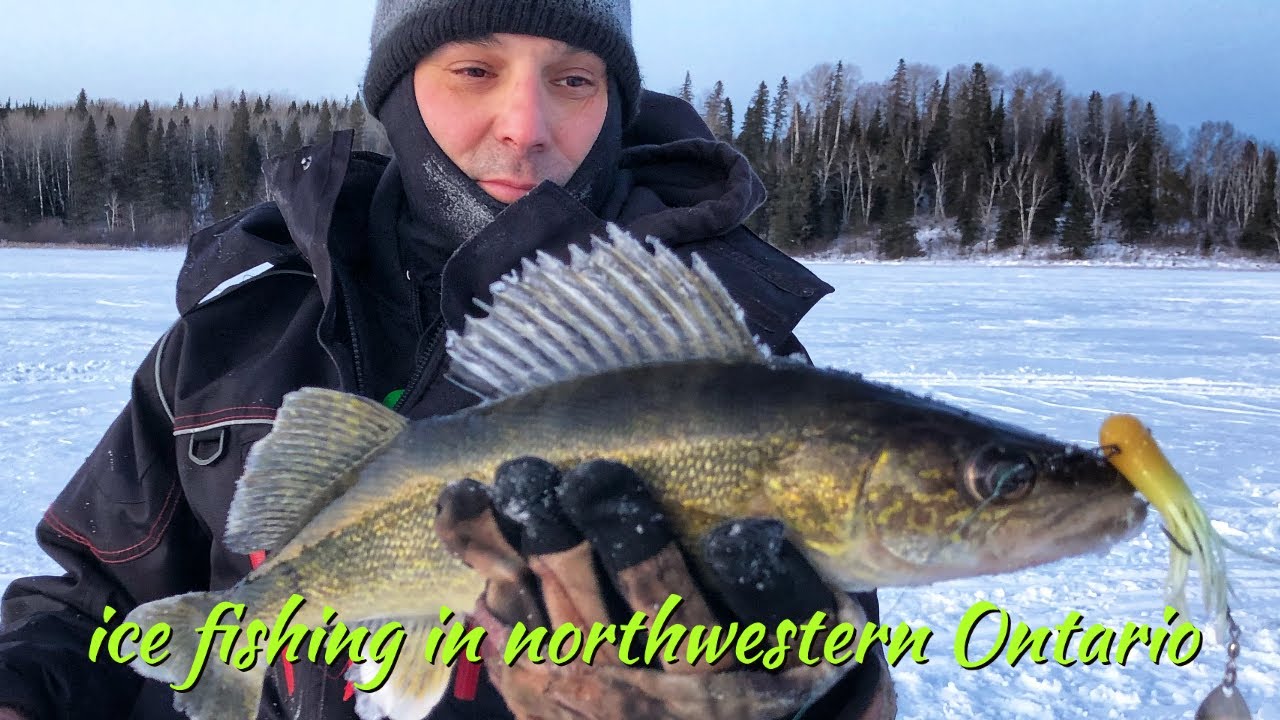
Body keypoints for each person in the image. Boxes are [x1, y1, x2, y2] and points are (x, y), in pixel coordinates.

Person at [0, 1, 895, 718]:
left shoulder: (733, 370)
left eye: (575, 79)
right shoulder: (225, 349)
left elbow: (835, 647)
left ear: (614, 106)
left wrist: (809, 698)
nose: (526, 125)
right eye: (475, 69)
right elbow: (87, 604)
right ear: (398, 88)